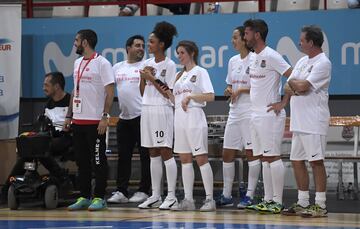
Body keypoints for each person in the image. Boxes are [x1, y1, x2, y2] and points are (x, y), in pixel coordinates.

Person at [243, 19, 292, 214]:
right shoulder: (254, 56)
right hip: (255, 114)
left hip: (270, 115)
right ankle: (267, 199)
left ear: (257, 35)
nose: (244, 37)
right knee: (264, 158)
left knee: (273, 157)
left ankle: (278, 202)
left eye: (246, 33)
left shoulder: (272, 55)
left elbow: (293, 76)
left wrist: (283, 101)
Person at [281, 25, 331, 218]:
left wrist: (297, 85)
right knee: (296, 160)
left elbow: (301, 86)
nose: (299, 42)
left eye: (302, 40)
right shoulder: (302, 60)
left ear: (311, 42)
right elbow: (288, 86)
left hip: (314, 121)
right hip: (299, 121)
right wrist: (297, 85)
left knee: (316, 162)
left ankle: (320, 204)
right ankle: (302, 202)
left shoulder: (323, 63)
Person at [0, 72, 72, 203]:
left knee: (40, 149)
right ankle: (8, 189)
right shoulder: (48, 104)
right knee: (28, 152)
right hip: (49, 138)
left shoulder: (70, 101)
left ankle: (61, 177)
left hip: (66, 138)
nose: (44, 88)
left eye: (46, 85)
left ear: (56, 87)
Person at [64, 29, 115, 211]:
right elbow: (74, 91)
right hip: (78, 121)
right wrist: (69, 116)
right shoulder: (77, 63)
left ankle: (100, 197)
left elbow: (110, 92)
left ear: (85, 42)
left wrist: (104, 117)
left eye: (76, 40)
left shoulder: (102, 63)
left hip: (95, 122)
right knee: (82, 162)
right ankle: (84, 196)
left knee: (98, 161)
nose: (75, 43)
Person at [165, 40, 216, 211]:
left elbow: (210, 96)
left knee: (200, 157)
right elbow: (174, 99)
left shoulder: (200, 72)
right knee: (185, 159)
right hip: (179, 117)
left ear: (192, 53)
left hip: (194, 116)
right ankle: (188, 199)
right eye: (178, 53)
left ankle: (210, 199)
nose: (179, 56)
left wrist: (191, 97)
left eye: (182, 53)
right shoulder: (178, 76)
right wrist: (159, 86)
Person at [216, 26, 261, 209]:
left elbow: (260, 86)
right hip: (234, 111)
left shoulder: (256, 59)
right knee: (227, 152)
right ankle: (227, 194)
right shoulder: (233, 61)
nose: (232, 41)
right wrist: (229, 90)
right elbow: (229, 85)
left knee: (251, 153)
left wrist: (241, 90)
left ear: (244, 39)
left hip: (250, 111)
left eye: (235, 37)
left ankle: (250, 195)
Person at [137, 21, 178, 210]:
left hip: (162, 109)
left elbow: (168, 92)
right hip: (147, 108)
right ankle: (155, 195)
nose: (148, 45)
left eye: (151, 42)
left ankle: (171, 196)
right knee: (152, 151)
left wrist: (151, 78)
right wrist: (143, 79)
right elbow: (142, 90)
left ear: (161, 44)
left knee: (164, 151)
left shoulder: (170, 65)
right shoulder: (146, 63)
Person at [107, 35, 151, 204]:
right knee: (123, 156)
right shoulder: (117, 67)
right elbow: (109, 89)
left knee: (145, 155)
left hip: (142, 116)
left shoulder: (147, 66)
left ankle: (144, 190)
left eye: (143, 46)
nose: (141, 48)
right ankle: (121, 191)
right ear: (128, 48)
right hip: (124, 119)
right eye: (137, 45)